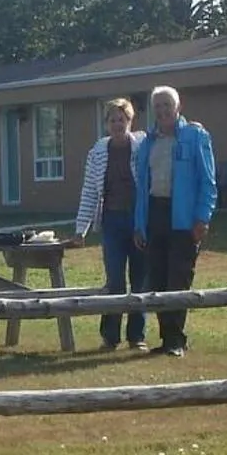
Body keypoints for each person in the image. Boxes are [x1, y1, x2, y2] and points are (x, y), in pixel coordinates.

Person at [131, 84, 216, 357]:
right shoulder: (147, 143)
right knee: (156, 279)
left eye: (168, 105)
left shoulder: (195, 135)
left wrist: (202, 218)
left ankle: (176, 340)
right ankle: (165, 338)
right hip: (155, 214)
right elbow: (141, 187)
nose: (163, 110)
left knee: (178, 280)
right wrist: (139, 224)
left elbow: (208, 181)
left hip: (184, 218)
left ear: (178, 107)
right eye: (158, 106)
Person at [74, 98, 149, 351]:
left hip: (138, 220)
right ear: (106, 124)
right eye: (113, 120)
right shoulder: (97, 153)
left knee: (140, 280)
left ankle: (136, 336)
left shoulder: (142, 147)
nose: (118, 124)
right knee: (115, 281)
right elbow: (89, 192)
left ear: (130, 121)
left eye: (122, 119)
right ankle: (109, 336)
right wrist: (80, 228)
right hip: (112, 221)